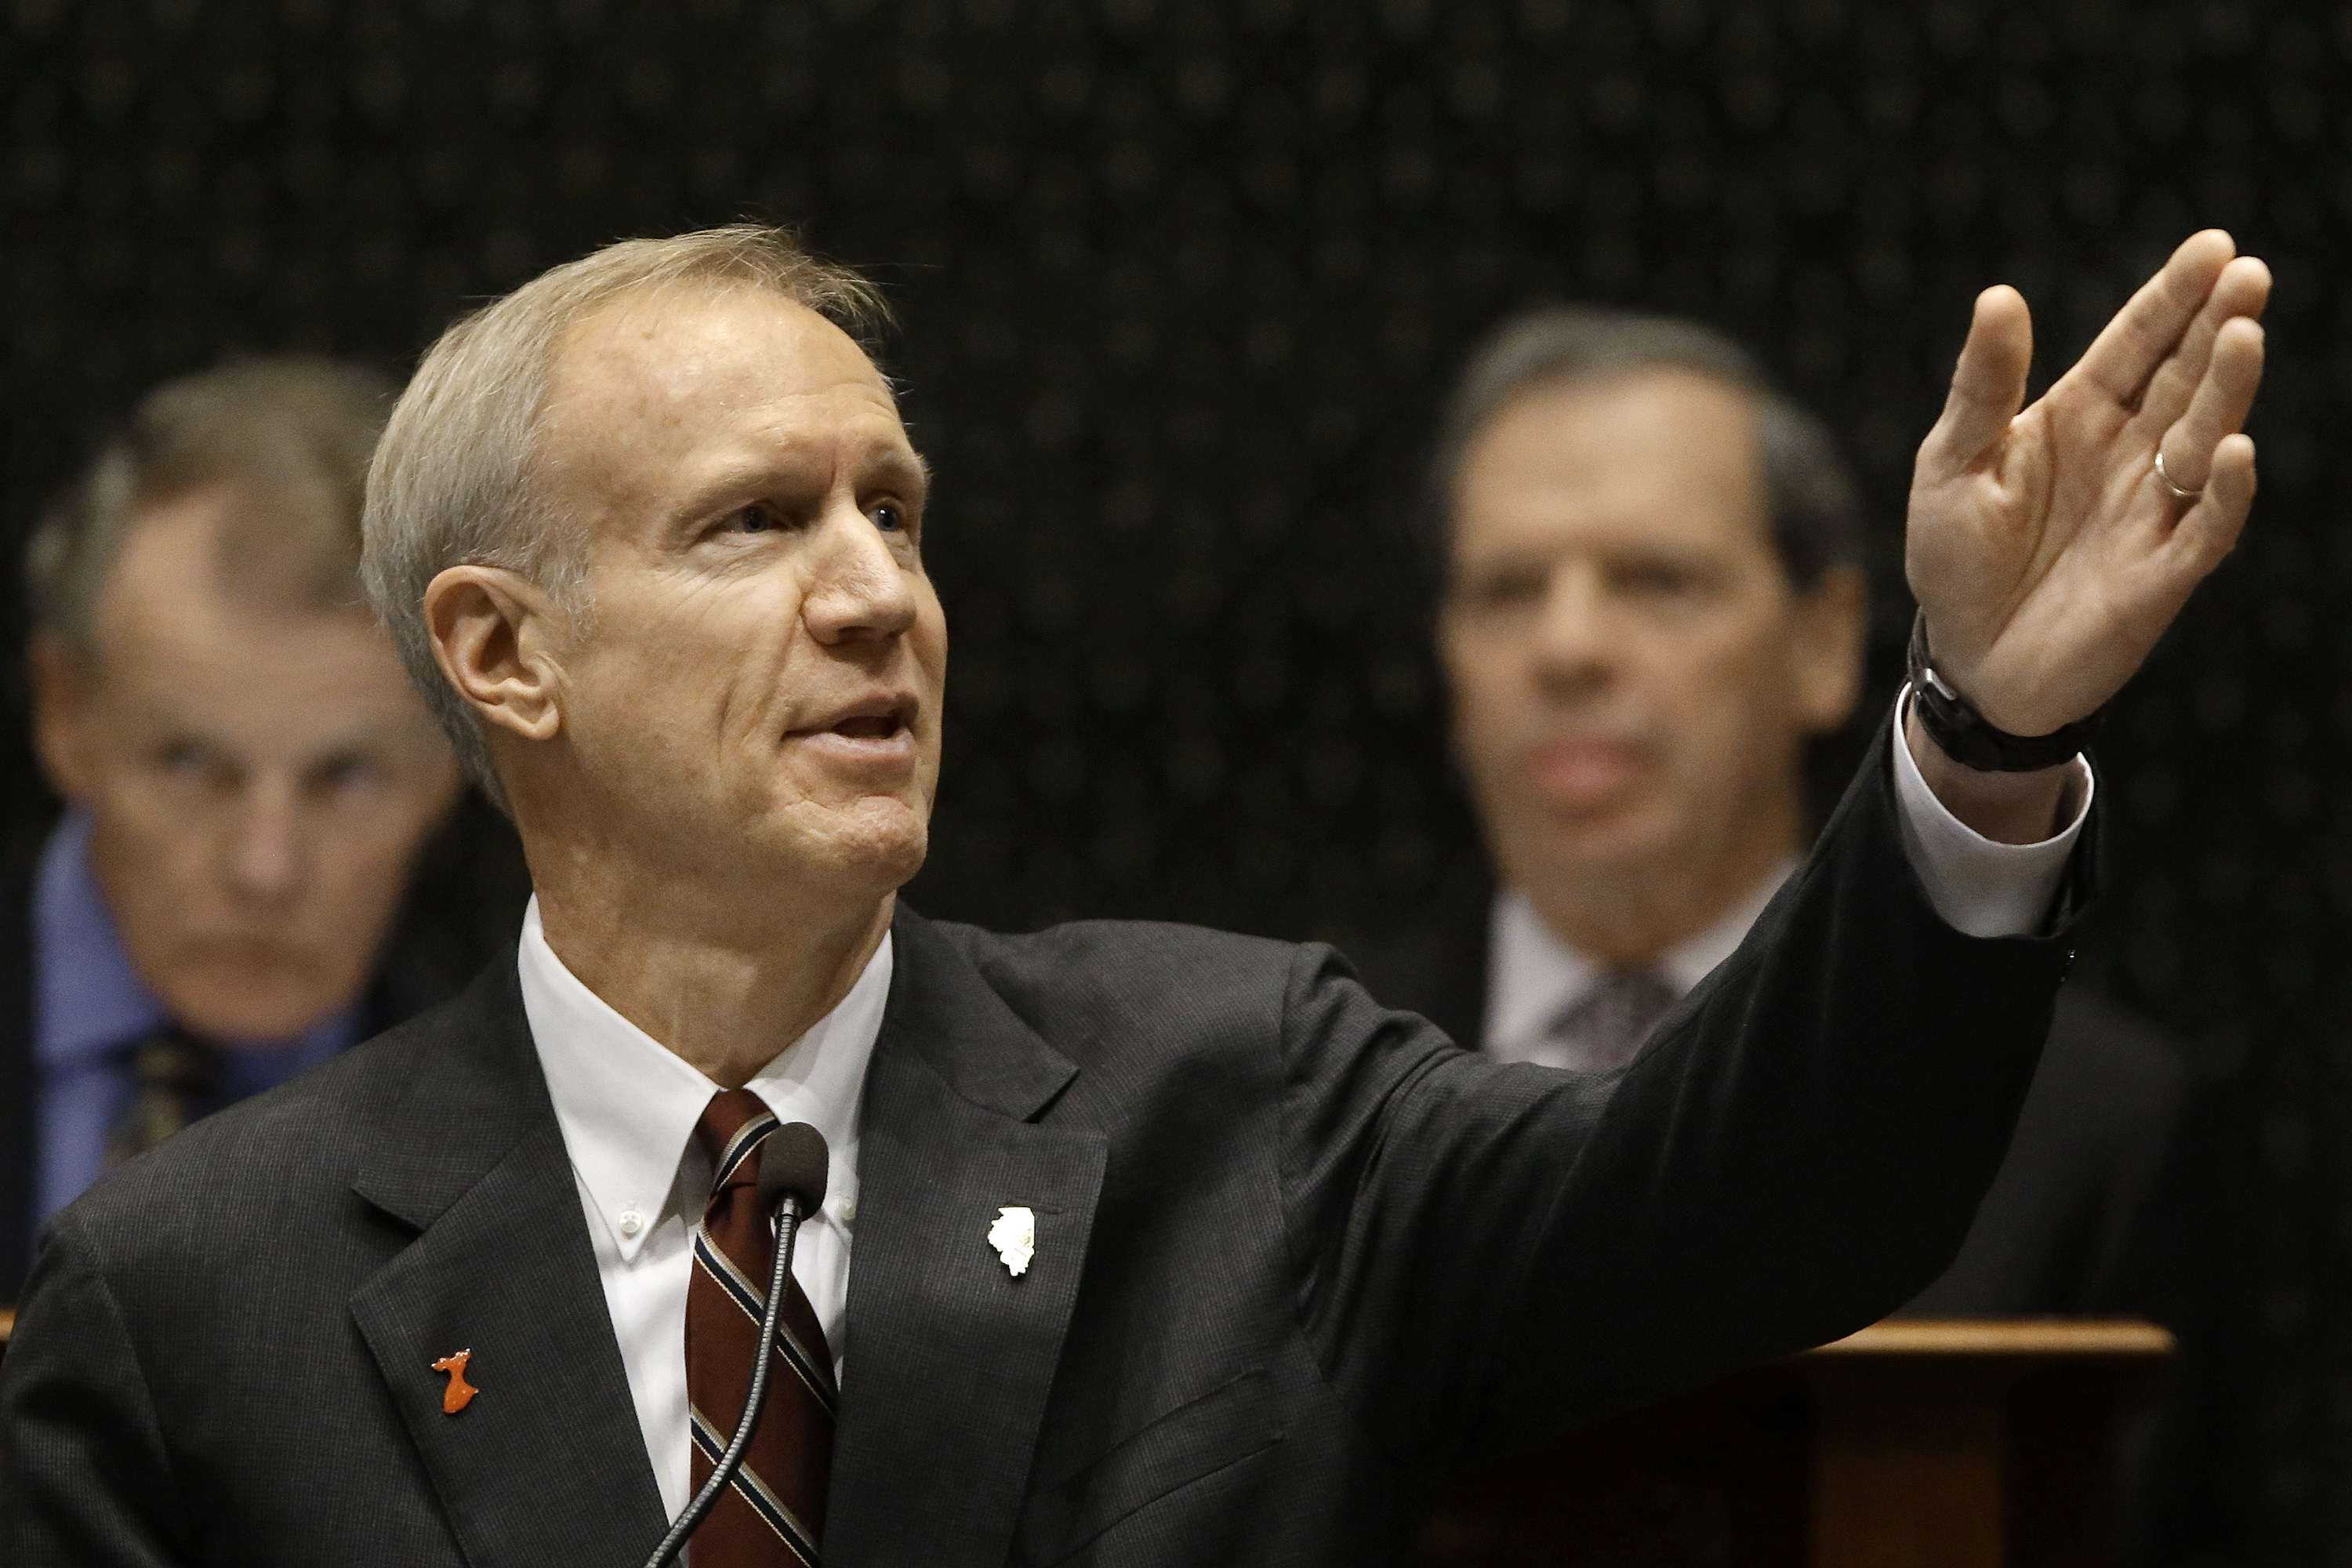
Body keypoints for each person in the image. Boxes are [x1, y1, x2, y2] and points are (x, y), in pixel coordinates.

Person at [0, 225, 2267, 1567]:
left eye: (897, 508)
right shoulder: (199, 1296)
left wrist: (1971, 728)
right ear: (506, 656)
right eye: (756, 523)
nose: (880, 592)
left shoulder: (1243, 1098)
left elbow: (1766, 1202)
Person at [1354, 307, 2198, 1327]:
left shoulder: (2084, 1125)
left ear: (1823, 644)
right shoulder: (1297, 1089)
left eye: (1658, 580)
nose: (1566, 647)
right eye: (1505, 591)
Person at [0, 358, 466, 1300]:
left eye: (346, 777)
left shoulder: (524, 1155)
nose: (266, 867)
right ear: (64, 714)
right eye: (188, 765)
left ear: (458, 753)